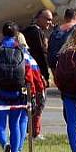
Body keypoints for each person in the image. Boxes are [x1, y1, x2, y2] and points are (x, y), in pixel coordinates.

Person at [0, 21, 44, 152]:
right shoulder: (22, 50)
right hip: (18, 93)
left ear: (3, 34)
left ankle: (5, 144)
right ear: (17, 34)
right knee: (15, 124)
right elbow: (29, 73)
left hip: (0, 92)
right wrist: (32, 93)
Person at [49, 8, 76, 141]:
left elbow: (51, 57)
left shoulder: (56, 33)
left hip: (61, 72)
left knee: (67, 101)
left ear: (65, 18)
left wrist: (55, 74)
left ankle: (72, 126)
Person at [22, 8, 53, 140]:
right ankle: (35, 131)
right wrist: (46, 75)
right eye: (47, 19)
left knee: (30, 102)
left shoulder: (28, 32)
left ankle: (28, 130)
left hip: (27, 73)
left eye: (51, 19)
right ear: (39, 18)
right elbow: (42, 54)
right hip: (37, 73)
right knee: (40, 102)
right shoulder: (36, 33)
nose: (50, 23)